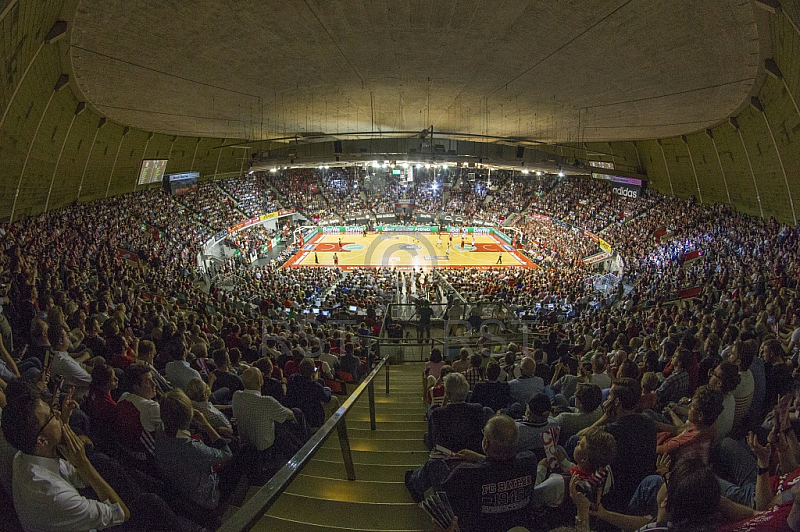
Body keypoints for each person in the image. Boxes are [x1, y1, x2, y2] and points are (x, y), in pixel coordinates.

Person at [1, 379, 130, 531]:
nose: (57, 413)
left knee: (105, 464)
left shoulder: (25, 457)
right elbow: (121, 514)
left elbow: (77, 479)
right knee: (150, 504)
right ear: (42, 440)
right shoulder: (53, 494)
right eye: (51, 416)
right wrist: (84, 464)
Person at [408, 414, 537, 532]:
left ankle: (413, 483)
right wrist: (479, 458)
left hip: (471, 527)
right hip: (513, 525)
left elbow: (446, 494)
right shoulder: (529, 461)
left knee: (434, 464)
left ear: (485, 443)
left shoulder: (465, 473)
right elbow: (501, 466)